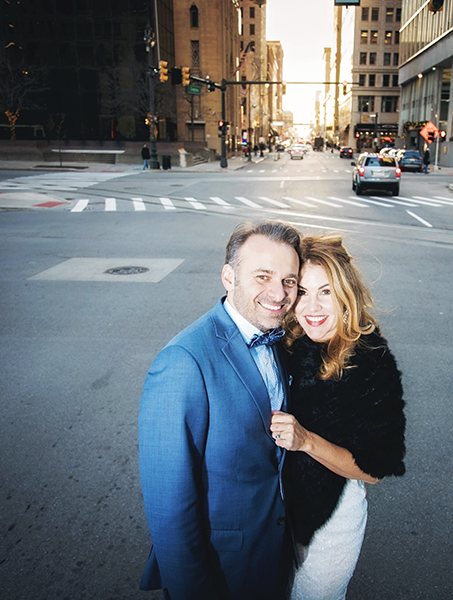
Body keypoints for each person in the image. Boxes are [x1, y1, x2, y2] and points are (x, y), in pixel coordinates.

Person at [138, 221, 302, 600]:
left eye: (289, 281)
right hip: (220, 572)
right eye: (262, 276)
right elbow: (169, 509)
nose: (278, 293)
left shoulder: (275, 336)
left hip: (273, 554)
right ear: (229, 277)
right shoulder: (183, 362)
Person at [270, 235, 406, 600]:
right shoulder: (293, 341)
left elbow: (374, 471)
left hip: (331, 522)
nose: (312, 305)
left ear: (345, 295)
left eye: (326, 292)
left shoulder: (371, 361)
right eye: (302, 291)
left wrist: (307, 441)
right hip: (286, 513)